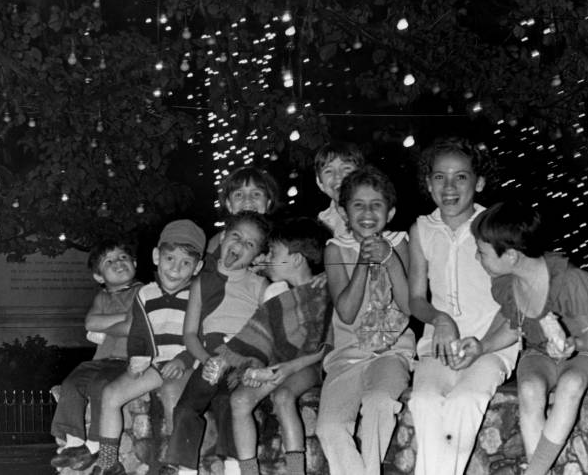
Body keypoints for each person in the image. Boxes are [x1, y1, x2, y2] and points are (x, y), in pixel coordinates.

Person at [406, 136, 517, 475]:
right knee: (423, 401)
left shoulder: (495, 227)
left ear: (479, 182)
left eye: (461, 177)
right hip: (438, 346)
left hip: (492, 343)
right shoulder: (422, 229)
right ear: (428, 183)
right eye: (440, 177)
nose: (449, 186)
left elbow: (515, 296)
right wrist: (440, 319)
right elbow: (415, 299)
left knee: (464, 401)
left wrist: (482, 344)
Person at [471, 200, 588, 475]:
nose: (477, 258)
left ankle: (535, 471)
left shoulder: (568, 280)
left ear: (510, 255)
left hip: (583, 352)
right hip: (537, 352)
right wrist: (482, 346)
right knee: (530, 389)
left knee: (571, 383)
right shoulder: (508, 284)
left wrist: (573, 343)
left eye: (482, 252)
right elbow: (513, 328)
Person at [315, 166, 415, 475]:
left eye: (376, 204)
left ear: (391, 211)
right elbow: (345, 311)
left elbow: (408, 305)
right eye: (358, 205)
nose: (368, 212)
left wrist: (388, 259)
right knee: (329, 427)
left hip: (391, 352)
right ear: (345, 214)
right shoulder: (334, 250)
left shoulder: (400, 242)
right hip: (346, 358)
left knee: (378, 403)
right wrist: (362, 260)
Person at [215, 217, 333, 475]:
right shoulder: (280, 295)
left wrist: (289, 368)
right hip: (275, 365)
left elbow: (327, 347)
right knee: (240, 399)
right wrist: (256, 365)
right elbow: (260, 335)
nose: (267, 257)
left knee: (282, 396)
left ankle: (295, 470)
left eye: (274, 252)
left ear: (296, 259)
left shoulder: (326, 291)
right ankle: (248, 471)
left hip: (308, 366)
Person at [92, 220, 207, 475]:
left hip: (187, 364)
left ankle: (178, 463)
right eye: (169, 258)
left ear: (197, 267)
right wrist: (137, 358)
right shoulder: (144, 294)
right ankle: (109, 461)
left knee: (173, 397)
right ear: (157, 256)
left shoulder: (198, 295)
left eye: (186, 263)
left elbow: (202, 336)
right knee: (111, 393)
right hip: (155, 363)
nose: (175, 269)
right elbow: (139, 334)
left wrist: (184, 360)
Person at [162, 211, 271, 475]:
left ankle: (233, 466)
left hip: (243, 356)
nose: (239, 246)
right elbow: (189, 334)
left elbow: (268, 334)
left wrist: (253, 364)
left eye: (250, 244)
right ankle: (185, 468)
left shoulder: (260, 285)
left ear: (257, 255)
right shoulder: (201, 282)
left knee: (227, 404)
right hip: (210, 356)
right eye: (236, 237)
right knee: (186, 407)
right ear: (223, 238)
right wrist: (205, 360)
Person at [50, 240, 142, 472]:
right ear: (99, 277)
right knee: (72, 384)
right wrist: (124, 318)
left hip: (126, 359)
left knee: (102, 386)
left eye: (123, 257)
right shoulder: (101, 297)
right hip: (100, 359)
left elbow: (133, 327)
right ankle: (74, 441)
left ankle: (94, 443)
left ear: (134, 263)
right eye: (109, 261)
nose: (118, 263)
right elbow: (90, 322)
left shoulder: (143, 292)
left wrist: (110, 324)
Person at [206, 166, 280, 254]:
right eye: (239, 194)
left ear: (268, 203)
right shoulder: (216, 244)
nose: (247, 199)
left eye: (256, 194)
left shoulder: (281, 243)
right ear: (229, 205)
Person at [314, 141, 364, 237]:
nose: (337, 176)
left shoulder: (379, 212)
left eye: (346, 168)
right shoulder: (321, 226)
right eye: (328, 171)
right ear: (320, 183)